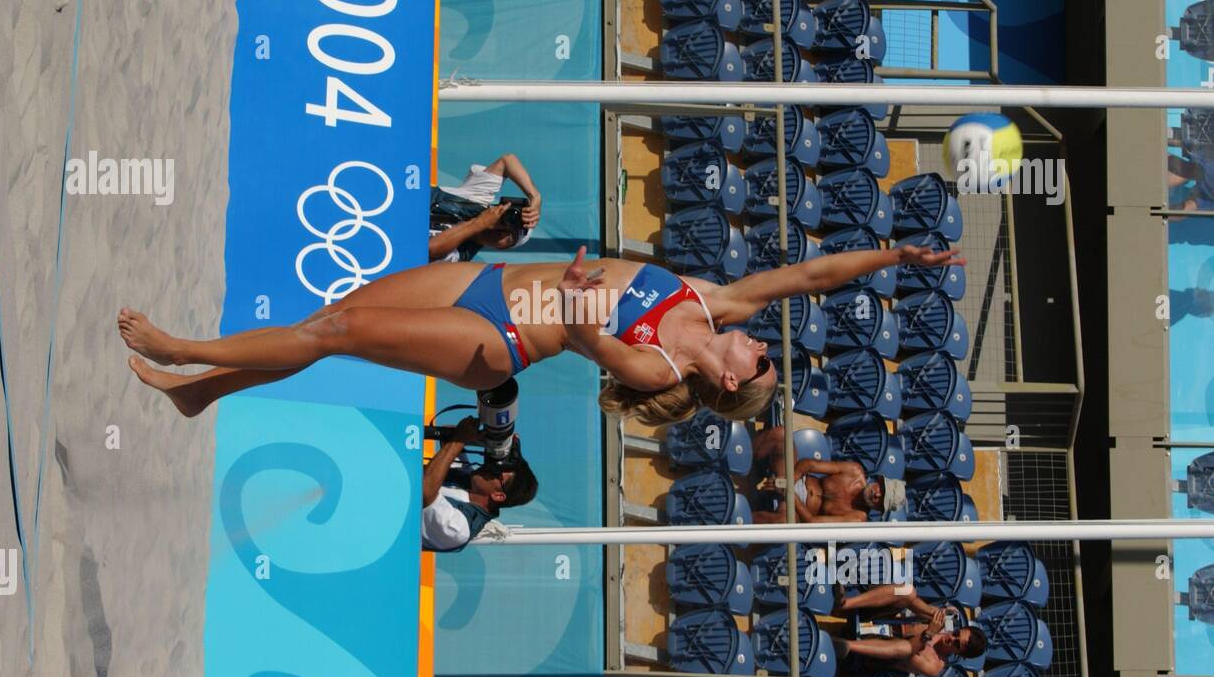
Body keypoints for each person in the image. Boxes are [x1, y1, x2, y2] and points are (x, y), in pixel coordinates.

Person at [118, 243, 963, 426]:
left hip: (498, 340)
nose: (765, 342)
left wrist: (578, 294)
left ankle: (184, 346)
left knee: (336, 330)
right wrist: (899, 254)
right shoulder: (718, 306)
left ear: (736, 380)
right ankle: (205, 390)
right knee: (326, 318)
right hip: (483, 281)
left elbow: (593, 341)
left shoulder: (658, 361)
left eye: (766, 360)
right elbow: (811, 276)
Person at [421, 417, 538, 552]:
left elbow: (425, 491)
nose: (488, 468)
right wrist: (494, 441)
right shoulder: (470, 482)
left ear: (498, 495)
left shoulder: (459, 529)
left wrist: (460, 440)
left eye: (496, 472)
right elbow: (450, 436)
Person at [830, 583, 987, 677]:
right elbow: (912, 604)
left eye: (957, 645)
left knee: (908, 649)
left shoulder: (935, 665)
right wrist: (931, 613)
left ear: (959, 654)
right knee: (908, 591)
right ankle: (845, 604)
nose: (952, 638)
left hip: (872, 654)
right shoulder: (946, 624)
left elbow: (910, 656)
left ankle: (846, 646)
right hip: (880, 620)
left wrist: (928, 634)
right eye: (956, 634)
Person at [751, 426, 906, 523]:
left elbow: (812, 521)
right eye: (882, 490)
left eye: (881, 501)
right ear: (879, 481)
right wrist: (788, 483)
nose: (877, 495)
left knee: (783, 523)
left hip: (794, 510)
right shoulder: (854, 471)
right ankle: (741, 453)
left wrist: (790, 494)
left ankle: (736, 519)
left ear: (879, 509)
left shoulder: (857, 518)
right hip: (793, 478)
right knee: (782, 435)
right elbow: (808, 464)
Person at [429, 154, 543, 262]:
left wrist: (479, 224)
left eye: (510, 237)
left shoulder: (463, 253)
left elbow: (430, 249)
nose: (504, 231)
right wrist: (535, 197)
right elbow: (508, 161)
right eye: (508, 221)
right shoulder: (479, 198)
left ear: (502, 248)